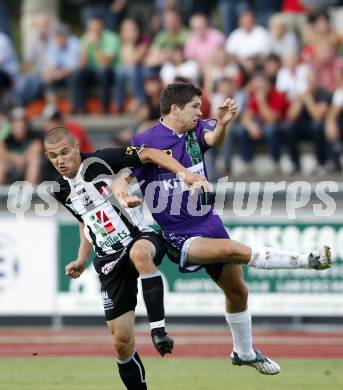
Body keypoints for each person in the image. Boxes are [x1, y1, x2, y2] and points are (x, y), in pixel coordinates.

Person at [116, 82, 331, 376]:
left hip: (209, 222)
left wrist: (225, 124)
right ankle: (308, 260)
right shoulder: (145, 139)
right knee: (233, 250)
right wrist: (124, 194)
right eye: (194, 106)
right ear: (175, 109)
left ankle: (243, 352)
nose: (200, 111)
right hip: (180, 233)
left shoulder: (194, 129)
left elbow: (213, 138)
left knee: (238, 291)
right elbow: (123, 174)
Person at [45, 126, 206, 390]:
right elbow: (85, 221)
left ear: (76, 148)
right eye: (53, 156)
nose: (60, 160)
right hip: (108, 261)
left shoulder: (100, 161)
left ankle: (158, 329)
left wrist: (186, 174)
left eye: (64, 152)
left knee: (140, 253)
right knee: (121, 342)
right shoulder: (61, 189)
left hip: (139, 237)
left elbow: (150, 153)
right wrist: (80, 258)